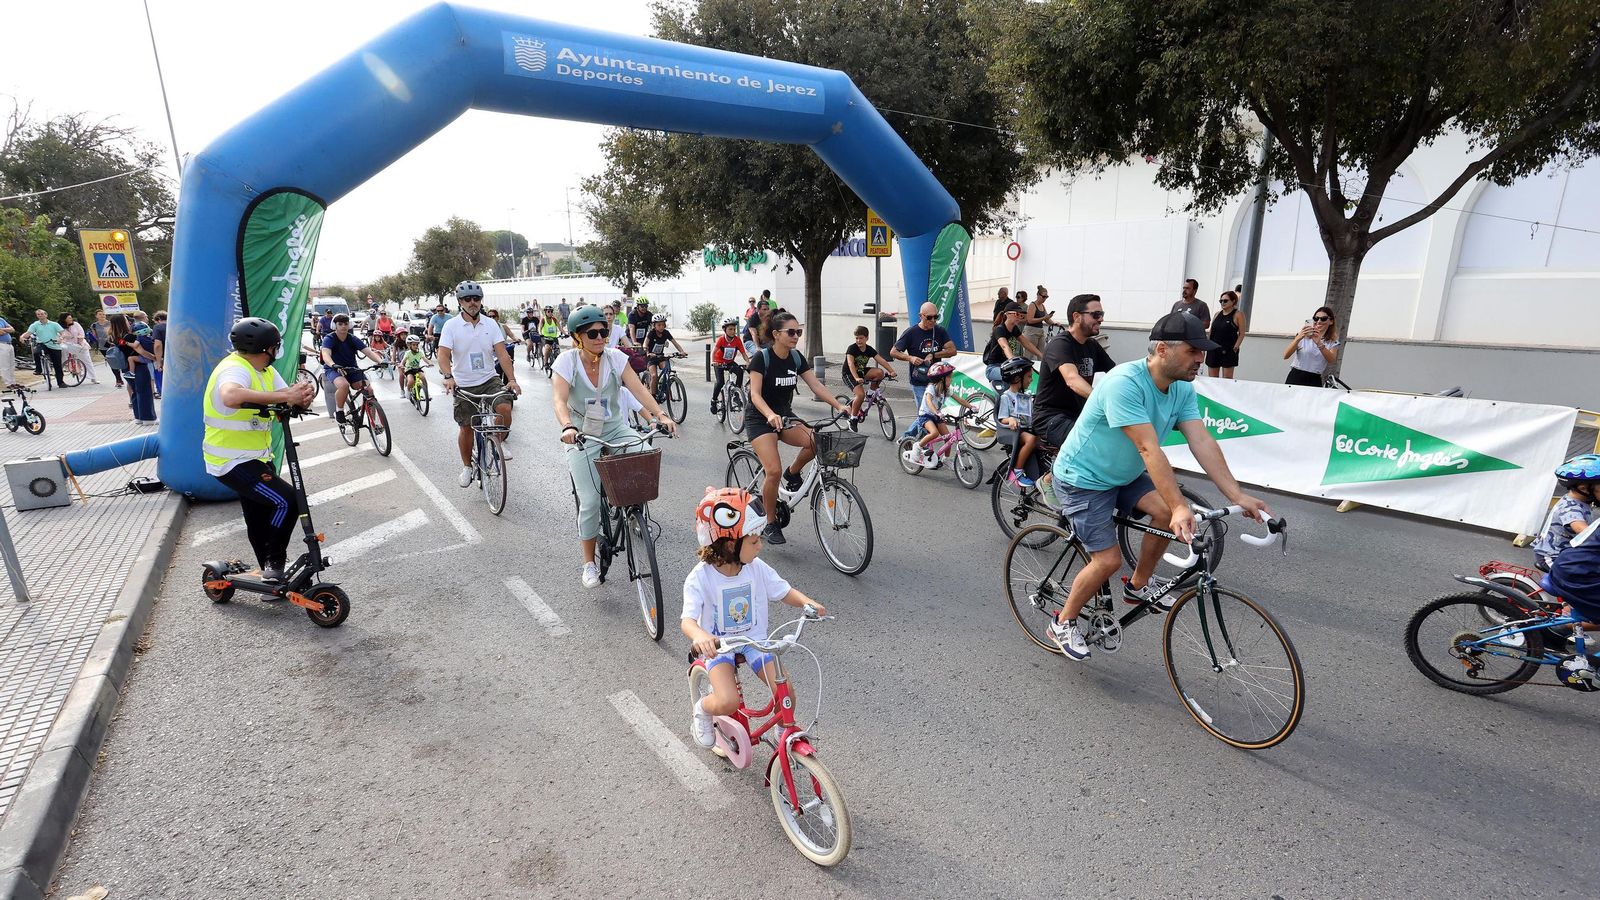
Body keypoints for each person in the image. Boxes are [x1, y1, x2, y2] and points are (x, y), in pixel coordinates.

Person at [1047, 313, 1271, 659]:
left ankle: (1138, 586)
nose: (1202, 359)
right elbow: (1148, 448)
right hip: (1084, 479)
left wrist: (1237, 495)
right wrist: (1182, 505)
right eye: (1195, 350)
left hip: (1123, 474)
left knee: (1167, 511)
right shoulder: (1125, 383)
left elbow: (1202, 441)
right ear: (1162, 349)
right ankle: (1063, 621)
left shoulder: (1181, 388)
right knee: (1107, 560)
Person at [682, 486, 827, 748]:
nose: (760, 545)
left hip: (755, 642)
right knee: (727, 702)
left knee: (786, 692)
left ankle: (782, 732)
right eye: (754, 541)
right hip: (720, 648)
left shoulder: (756, 568)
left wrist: (807, 602)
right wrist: (701, 636)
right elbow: (688, 621)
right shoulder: (700, 578)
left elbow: (784, 591)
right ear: (730, 544)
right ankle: (703, 708)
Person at [553, 304, 676, 587]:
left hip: (616, 428)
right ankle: (588, 563)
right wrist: (567, 426)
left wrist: (660, 415)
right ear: (577, 337)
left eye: (604, 331)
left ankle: (631, 510)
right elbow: (559, 400)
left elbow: (639, 388)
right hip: (582, 434)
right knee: (591, 501)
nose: (600, 337)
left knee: (646, 455)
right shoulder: (567, 362)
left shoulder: (616, 358)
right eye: (592, 333)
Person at [203, 317, 317, 583]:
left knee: (258, 515)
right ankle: (275, 561)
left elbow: (284, 397)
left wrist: (299, 398)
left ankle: (269, 574)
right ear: (269, 348)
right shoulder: (234, 369)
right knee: (286, 500)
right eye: (276, 346)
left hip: (257, 457)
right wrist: (286, 396)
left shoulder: (264, 371)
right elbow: (231, 396)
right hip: (230, 461)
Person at [744, 312, 851, 544]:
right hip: (760, 418)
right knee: (772, 470)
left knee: (815, 441)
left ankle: (792, 473)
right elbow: (755, 394)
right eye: (790, 332)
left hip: (785, 416)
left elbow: (815, 385)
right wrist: (770, 414)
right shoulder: (761, 359)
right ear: (776, 334)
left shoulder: (795, 358)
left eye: (798, 332)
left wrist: (838, 405)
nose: (796, 336)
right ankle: (770, 522)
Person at [439, 281, 522, 481]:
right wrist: (449, 377)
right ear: (460, 302)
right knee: (466, 427)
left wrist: (511, 379)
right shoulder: (451, 325)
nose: (472, 302)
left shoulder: (490, 323)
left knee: (504, 408)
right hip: (464, 383)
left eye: (476, 298)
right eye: (467, 299)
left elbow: (502, 355)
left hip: (489, 378)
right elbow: (443, 355)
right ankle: (467, 467)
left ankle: (497, 442)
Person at [1032, 293, 1115, 448]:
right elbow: (1072, 379)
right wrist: (1103, 400)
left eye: (1102, 314)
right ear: (1077, 316)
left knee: (1114, 443)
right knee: (1091, 447)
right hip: (1051, 418)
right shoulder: (1060, 344)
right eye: (1096, 314)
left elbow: (1115, 374)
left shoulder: (1092, 346)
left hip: (1079, 416)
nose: (1101, 319)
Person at [890, 302, 956, 438]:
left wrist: (935, 354)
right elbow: (893, 352)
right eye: (929, 317)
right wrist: (910, 358)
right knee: (927, 414)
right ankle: (921, 447)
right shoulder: (911, 332)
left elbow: (952, 350)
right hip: (919, 380)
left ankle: (907, 439)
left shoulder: (940, 331)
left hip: (936, 381)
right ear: (921, 316)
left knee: (927, 414)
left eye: (935, 317)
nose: (933, 320)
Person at [1533, 455, 1600, 572]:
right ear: (1584, 488)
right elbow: (1583, 531)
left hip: (1569, 553)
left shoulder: (1582, 501)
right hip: (1553, 556)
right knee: (1586, 581)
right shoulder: (1570, 508)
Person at [904, 362, 974, 469]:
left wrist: (971, 407)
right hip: (926, 416)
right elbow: (928, 401)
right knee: (935, 433)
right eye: (949, 377)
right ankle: (917, 447)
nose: (951, 379)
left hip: (937, 416)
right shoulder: (931, 388)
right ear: (941, 379)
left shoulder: (947, 390)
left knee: (948, 438)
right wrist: (937, 412)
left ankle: (946, 459)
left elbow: (959, 400)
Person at [320, 313, 386, 422]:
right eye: (340, 324)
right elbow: (326, 354)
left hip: (352, 368)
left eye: (346, 323)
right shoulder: (329, 338)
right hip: (334, 368)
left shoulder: (352, 339)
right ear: (334, 325)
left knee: (369, 390)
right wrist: (333, 365)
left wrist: (380, 361)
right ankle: (339, 411)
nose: (343, 326)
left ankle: (373, 423)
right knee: (344, 385)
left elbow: (368, 352)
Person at [997, 356, 1039, 487]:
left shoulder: (1025, 396)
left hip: (1026, 429)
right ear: (1016, 378)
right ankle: (1018, 471)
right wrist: (1010, 419)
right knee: (1031, 440)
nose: (1031, 380)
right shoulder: (1006, 397)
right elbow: (1002, 418)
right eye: (1028, 376)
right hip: (1014, 431)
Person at [111, 313, 158, 424]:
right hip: (139, 367)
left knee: (135, 392)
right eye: (126, 320)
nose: (129, 321)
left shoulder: (115, 337)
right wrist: (155, 358)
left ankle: (138, 417)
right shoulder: (130, 337)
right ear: (123, 322)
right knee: (144, 391)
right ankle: (148, 418)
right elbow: (141, 351)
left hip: (126, 368)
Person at [981, 302, 1042, 386]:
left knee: (1023, 375)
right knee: (1013, 375)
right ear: (1008, 314)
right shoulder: (1000, 329)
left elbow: (1027, 343)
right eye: (1017, 314)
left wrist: (1041, 355)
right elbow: (1004, 346)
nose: (1019, 317)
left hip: (1006, 366)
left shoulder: (1014, 329)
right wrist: (1013, 361)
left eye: (1021, 315)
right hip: (993, 368)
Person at [842, 325, 895, 421]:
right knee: (860, 395)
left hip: (861, 372)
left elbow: (881, 360)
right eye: (856, 338)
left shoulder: (869, 349)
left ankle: (870, 394)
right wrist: (857, 378)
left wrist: (891, 371)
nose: (858, 340)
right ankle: (853, 419)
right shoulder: (852, 348)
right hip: (849, 374)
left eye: (861, 338)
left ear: (867, 338)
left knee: (879, 373)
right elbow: (850, 364)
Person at [1284, 305, 1339, 387]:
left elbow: (1331, 360)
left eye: (1323, 318)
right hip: (1296, 375)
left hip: (1314, 378)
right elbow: (1286, 355)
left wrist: (1319, 343)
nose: (1319, 321)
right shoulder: (1302, 337)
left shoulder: (1332, 342)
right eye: (1316, 318)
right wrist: (1298, 338)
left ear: (1331, 321)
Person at [710, 316, 749, 414]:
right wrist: (712, 361)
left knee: (740, 371)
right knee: (720, 382)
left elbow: (744, 353)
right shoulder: (721, 340)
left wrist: (748, 362)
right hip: (719, 362)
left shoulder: (737, 340)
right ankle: (714, 400)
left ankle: (736, 394)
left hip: (730, 362)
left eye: (734, 329)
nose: (733, 331)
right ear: (725, 330)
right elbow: (713, 352)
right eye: (730, 329)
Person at [1205, 290, 1247, 378]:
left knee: (1227, 380)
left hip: (1228, 350)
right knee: (1212, 379)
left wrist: (1236, 346)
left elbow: (1242, 333)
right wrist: (1207, 347)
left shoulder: (1238, 314)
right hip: (1214, 349)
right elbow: (1211, 332)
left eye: (1225, 301)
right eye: (1221, 301)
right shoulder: (1217, 314)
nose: (1222, 303)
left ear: (1233, 301)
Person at [642, 314, 685, 394]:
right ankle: (653, 396)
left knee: (667, 370)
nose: (661, 327)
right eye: (659, 325)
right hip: (651, 359)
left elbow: (675, 343)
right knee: (654, 376)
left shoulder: (666, 333)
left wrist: (681, 351)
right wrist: (648, 352)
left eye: (663, 324)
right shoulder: (651, 333)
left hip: (661, 357)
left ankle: (662, 384)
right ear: (654, 325)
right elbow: (645, 344)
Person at [25, 309, 67, 388]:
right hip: (42, 343)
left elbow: (63, 332)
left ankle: (60, 382)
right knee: (37, 352)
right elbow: (28, 333)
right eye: (38, 314)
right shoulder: (35, 325)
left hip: (54, 345)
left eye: (42, 314)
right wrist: (22, 337)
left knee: (57, 364)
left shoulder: (54, 324)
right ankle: (39, 369)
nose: (40, 315)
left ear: (46, 315)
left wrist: (61, 338)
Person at [59, 313, 100, 384]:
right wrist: (61, 339)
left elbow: (82, 334)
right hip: (68, 345)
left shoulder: (76, 324)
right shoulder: (60, 327)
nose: (71, 319)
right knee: (63, 348)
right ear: (64, 319)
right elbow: (59, 336)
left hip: (79, 344)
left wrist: (80, 340)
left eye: (71, 318)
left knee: (87, 361)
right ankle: (66, 364)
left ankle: (93, 378)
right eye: (69, 318)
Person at [90, 310, 121, 388]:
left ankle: (119, 378)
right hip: (102, 345)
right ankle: (118, 378)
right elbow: (95, 336)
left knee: (116, 360)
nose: (102, 316)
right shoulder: (94, 325)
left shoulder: (110, 323)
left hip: (111, 344)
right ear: (96, 316)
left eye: (103, 314)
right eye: (100, 314)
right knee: (111, 362)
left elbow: (115, 332)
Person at [1023, 285, 1055, 358]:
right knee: (1029, 354)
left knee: (1042, 354)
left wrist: (1055, 323)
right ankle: (1027, 368)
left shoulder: (1042, 306)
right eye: (1043, 297)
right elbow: (1030, 320)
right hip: (1031, 332)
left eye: (1046, 297)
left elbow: (1047, 319)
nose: (1045, 299)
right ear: (1038, 295)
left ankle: (1042, 368)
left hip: (1040, 331)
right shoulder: (1032, 305)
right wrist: (1044, 317)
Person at [151, 310, 168, 397]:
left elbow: (157, 345)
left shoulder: (158, 328)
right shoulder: (174, 325)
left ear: (158, 319)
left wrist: (158, 361)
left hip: (166, 359)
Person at [0, 312, 15, 388]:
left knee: (12, 364)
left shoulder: (1, 320)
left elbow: (12, 329)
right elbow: (1, 333)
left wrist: (3, 329)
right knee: (4, 365)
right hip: (1, 344)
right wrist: (6, 330)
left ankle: (13, 382)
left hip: (9, 344)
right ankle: (8, 383)